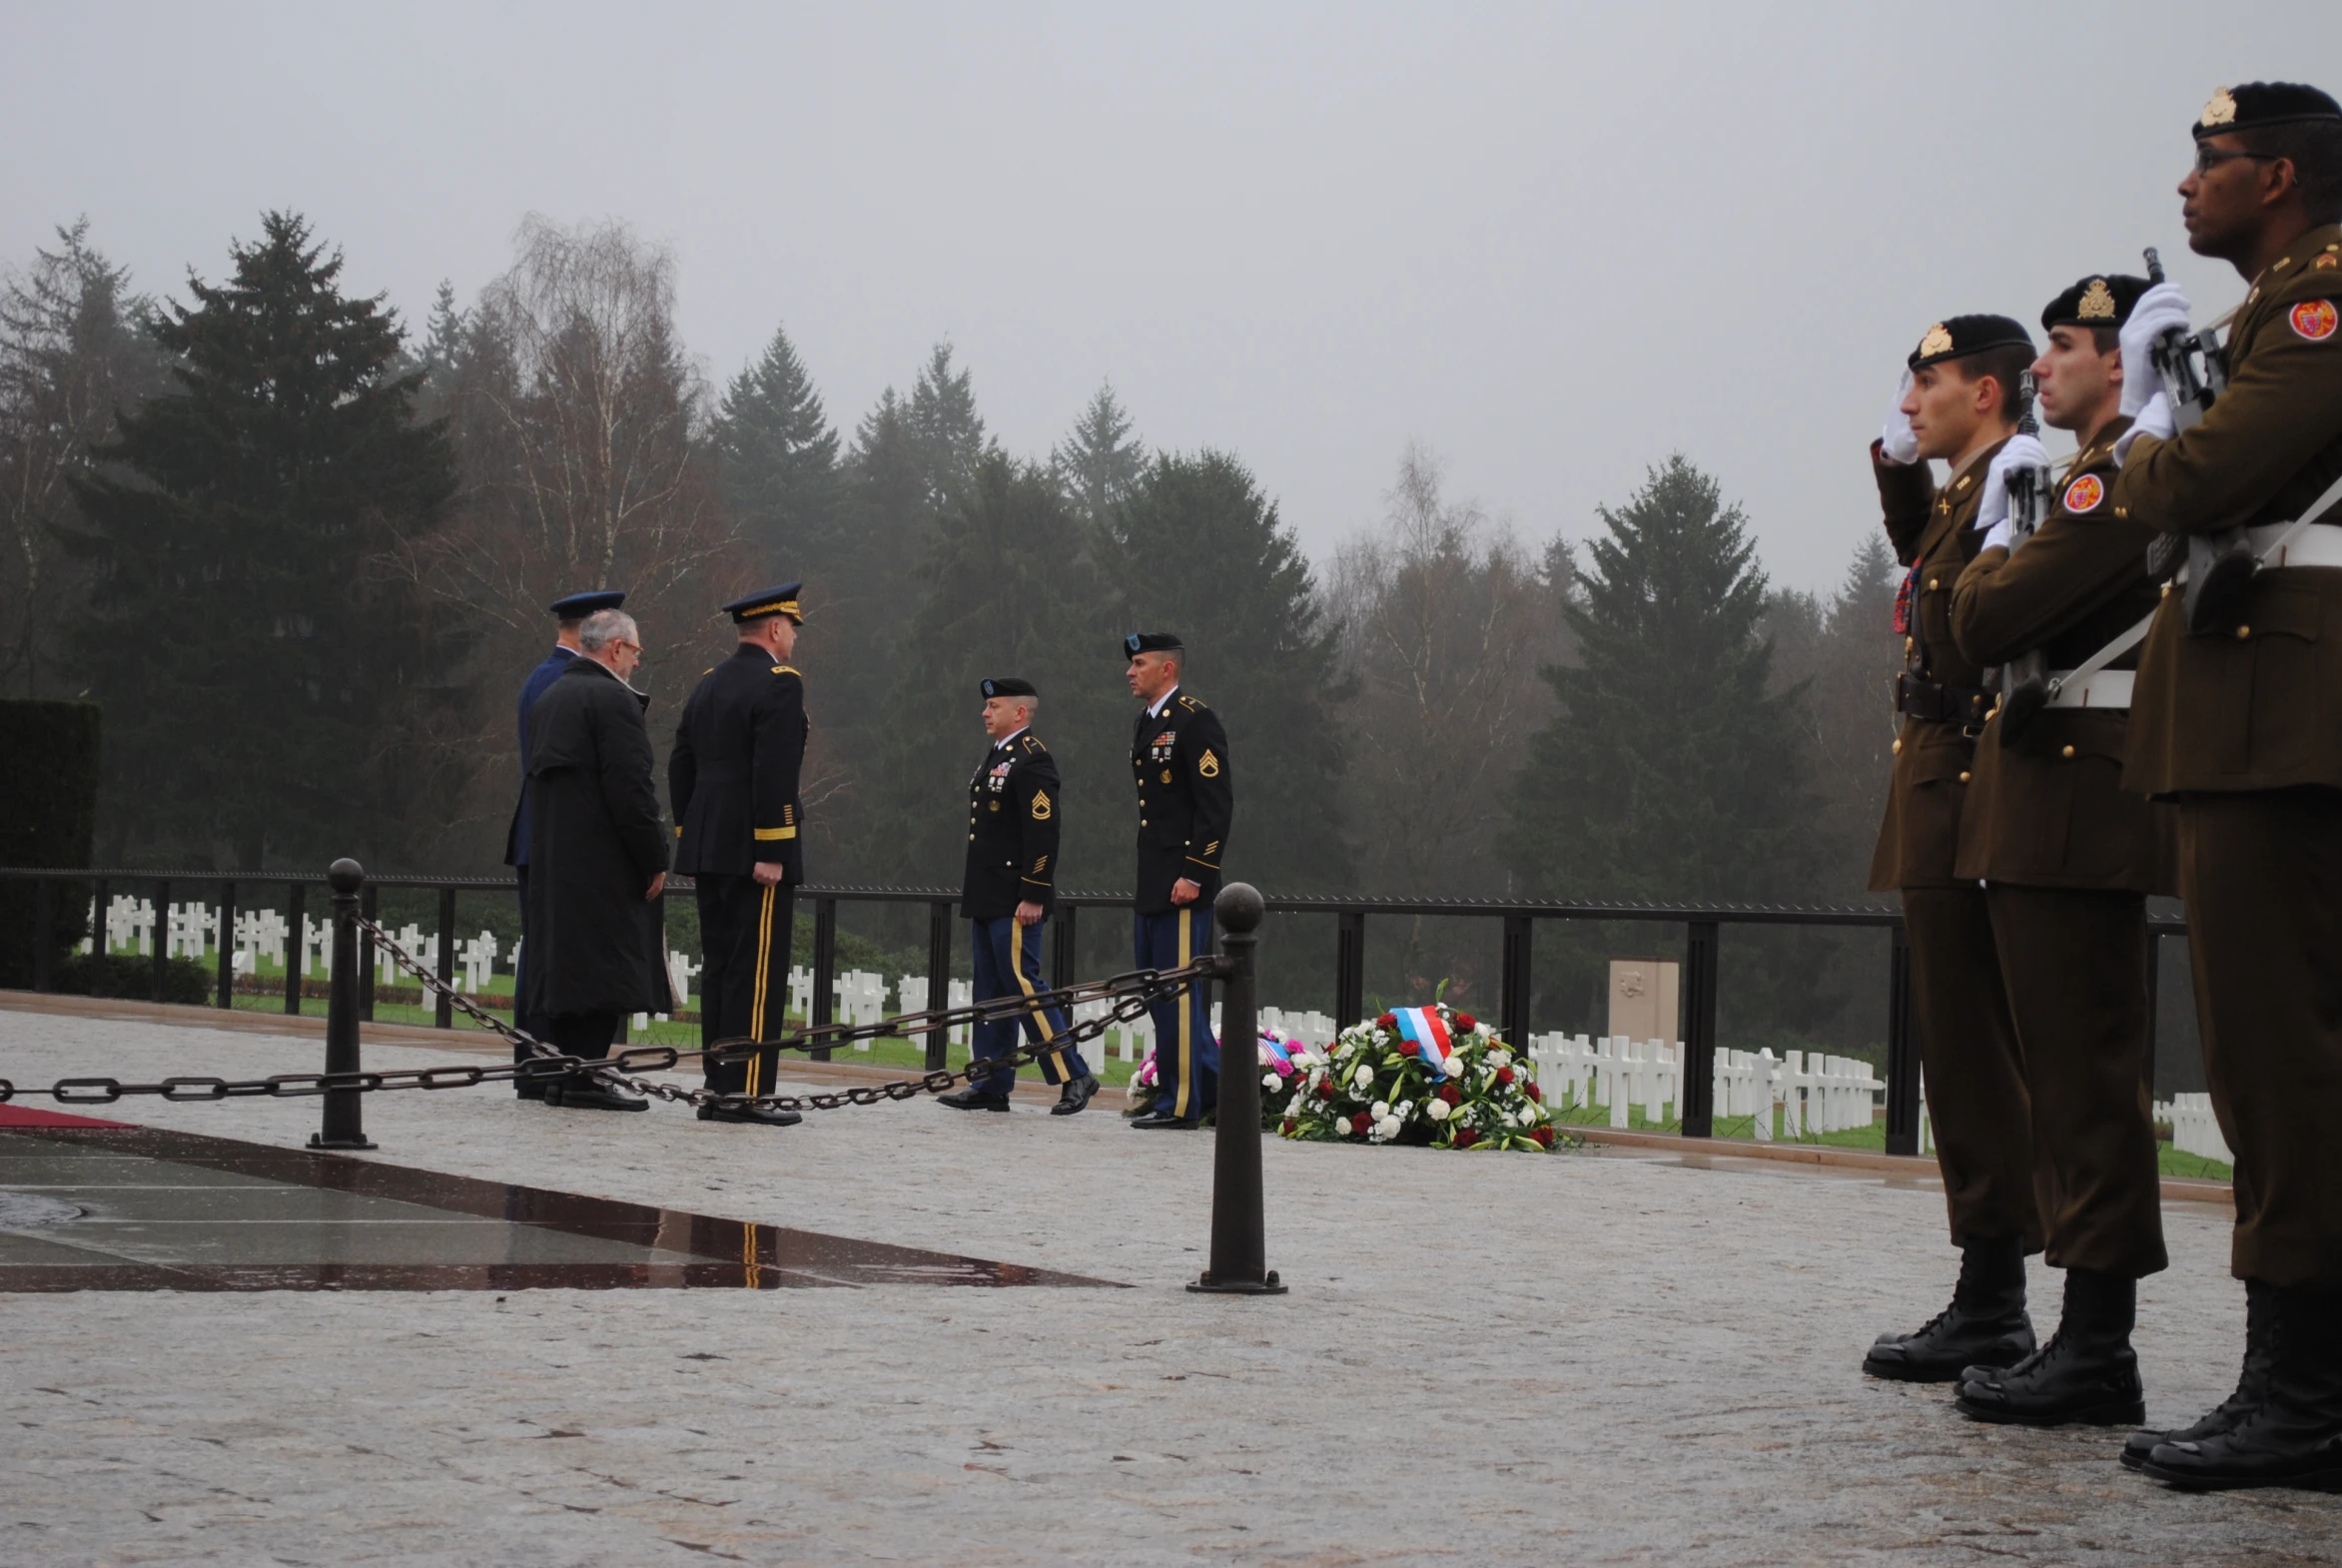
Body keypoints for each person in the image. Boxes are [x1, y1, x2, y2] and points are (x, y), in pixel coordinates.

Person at [2108, 81, 2342, 1492]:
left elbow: (2197, 481)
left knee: (2283, 1063)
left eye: (2210, 166)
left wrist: (2144, 422)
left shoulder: (2319, 305)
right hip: (2258, 721)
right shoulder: (2279, 310)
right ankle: (2294, 1379)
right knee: (2275, 1063)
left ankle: (2302, 1394)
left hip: (2286, 726)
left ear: (2278, 178)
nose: (2186, 189)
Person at [1944, 275, 2171, 1428]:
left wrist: (1998, 553)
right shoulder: (2086, 470)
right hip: (2048, 797)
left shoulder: (2117, 471)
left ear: (2121, 361)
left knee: (2085, 1084)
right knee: (2070, 1078)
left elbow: (1978, 618)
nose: (2042, 368)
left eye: (2067, 346)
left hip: (2080, 802)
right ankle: (2084, 1334)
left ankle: (2096, 1344)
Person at [1863, 314, 2046, 1381]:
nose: (1906, 397)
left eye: (1923, 379)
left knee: (1988, 1050)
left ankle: (2006, 1301)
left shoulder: (2013, 479)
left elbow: (1984, 617)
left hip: (1978, 778)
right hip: (1938, 777)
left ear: (1983, 391)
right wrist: (1892, 466)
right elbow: (1918, 550)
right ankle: (1987, 1293)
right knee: (1960, 1054)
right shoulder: (1964, 493)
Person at [670, 583, 810, 1130]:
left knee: (722, 968)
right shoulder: (780, 683)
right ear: (775, 628)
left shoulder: (710, 683)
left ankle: (718, 1085)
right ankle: (747, 1091)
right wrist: (773, 847)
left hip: (709, 846)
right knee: (755, 973)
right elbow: (774, 771)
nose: (794, 638)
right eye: (793, 627)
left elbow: (681, 763)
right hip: (756, 849)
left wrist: (692, 829)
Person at [520, 608, 671, 1112]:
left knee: (567, 971)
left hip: (556, 865)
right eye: (635, 652)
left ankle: (567, 1075)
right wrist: (653, 856)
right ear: (614, 649)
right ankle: (586, 1078)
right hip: (605, 866)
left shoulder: (550, 697)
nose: (635, 663)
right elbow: (632, 790)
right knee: (604, 973)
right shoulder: (614, 700)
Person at [938, 678, 1100, 1116]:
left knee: (1025, 986)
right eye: (986, 706)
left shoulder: (1032, 760)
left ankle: (1075, 1073)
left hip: (1014, 897)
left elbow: (1043, 834)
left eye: (994, 706)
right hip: (988, 894)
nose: (985, 713)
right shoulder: (997, 757)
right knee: (991, 992)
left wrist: (1034, 893)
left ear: (1020, 713)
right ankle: (991, 1080)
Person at [504, 588, 624, 1098]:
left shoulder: (540, 676)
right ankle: (545, 1064)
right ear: (594, 628)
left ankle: (538, 1063)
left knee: (542, 954)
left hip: (539, 834)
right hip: (559, 840)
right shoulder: (566, 679)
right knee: (553, 958)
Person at [1123, 632, 1230, 1131]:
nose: (1130, 671)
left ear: (1167, 669)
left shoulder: (1194, 719)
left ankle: (1182, 1103)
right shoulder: (1148, 722)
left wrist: (1196, 873)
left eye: (1139, 663)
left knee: (1180, 994)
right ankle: (1199, 1090)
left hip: (1184, 883)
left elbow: (1214, 806)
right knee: (1157, 992)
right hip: (1154, 879)